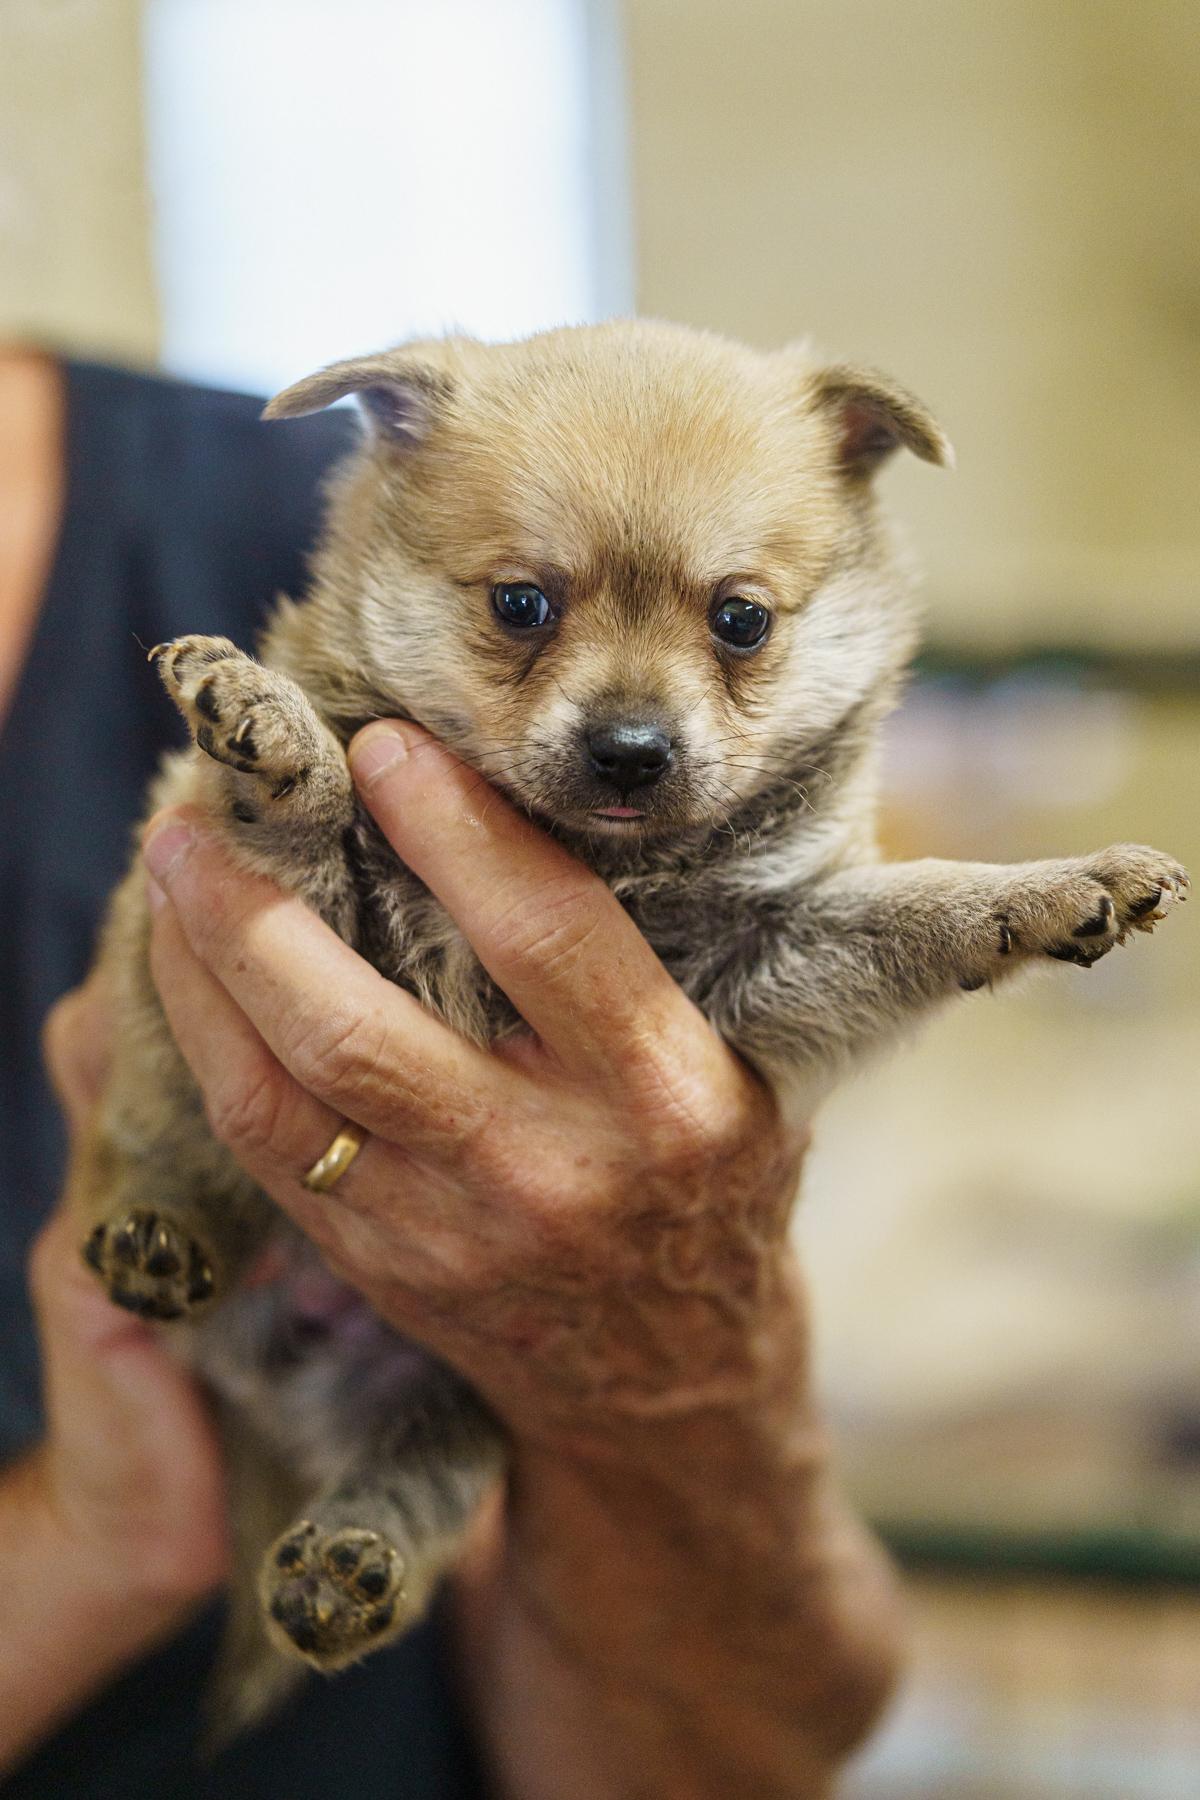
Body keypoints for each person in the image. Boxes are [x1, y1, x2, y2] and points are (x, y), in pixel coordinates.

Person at [0, 346, 902, 1798]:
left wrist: (667, 1375)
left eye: (737, 623)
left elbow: (746, 1750)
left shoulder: (293, 514)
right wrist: (85, 1545)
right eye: (523, 614)